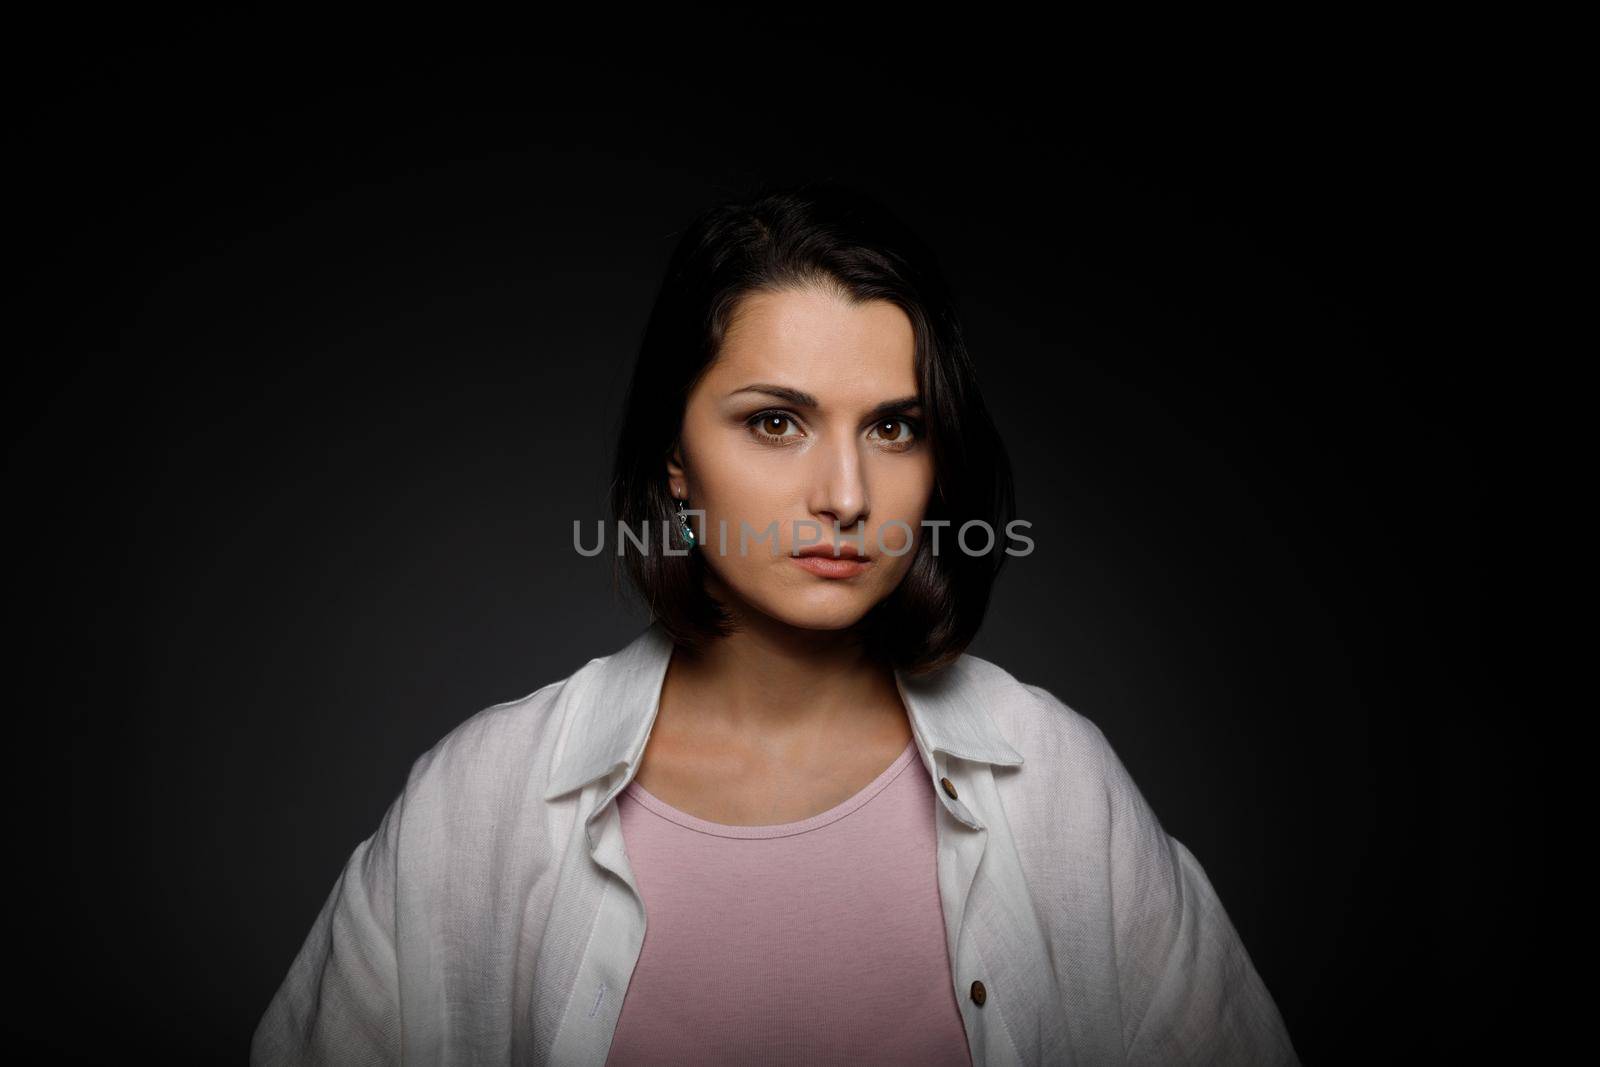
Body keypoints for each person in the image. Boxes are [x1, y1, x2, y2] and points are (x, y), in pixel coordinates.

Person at [250, 182, 1301, 1065]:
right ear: (675, 455)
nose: (844, 491)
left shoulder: (1054, 782)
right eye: (775, 420)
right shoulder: (482, 801)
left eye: (894, 426)